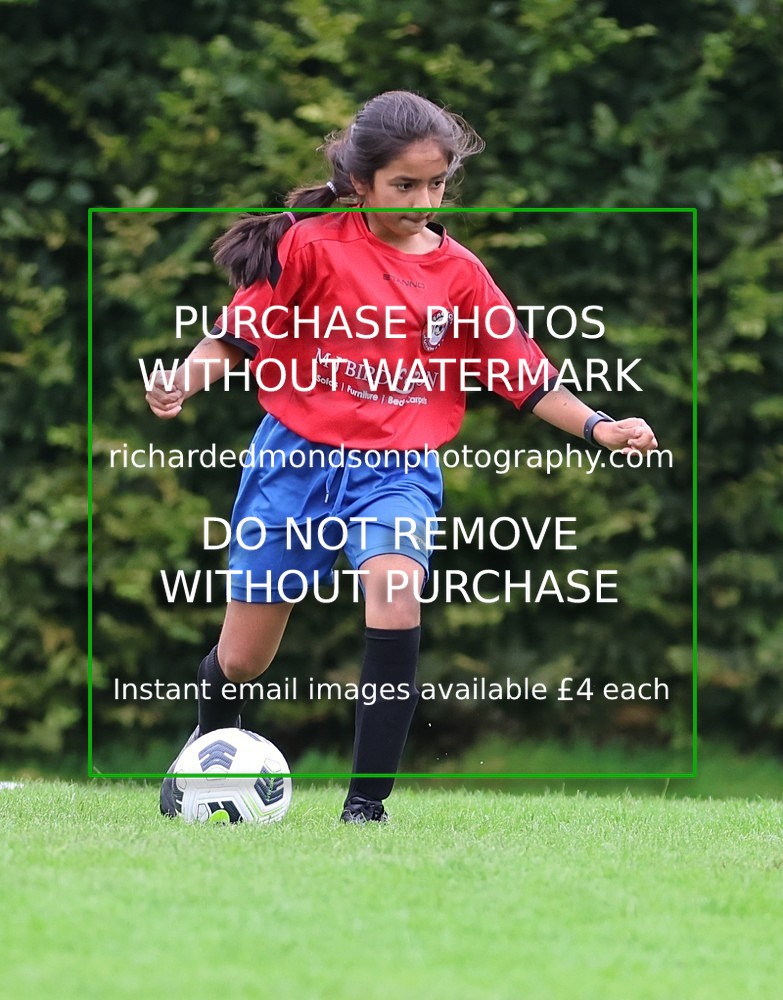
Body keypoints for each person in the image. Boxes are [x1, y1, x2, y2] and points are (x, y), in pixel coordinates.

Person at [146, 90, 657, 824]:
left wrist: (599, 427)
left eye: (436, 184)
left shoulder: (460, 274)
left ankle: (366, 808)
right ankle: (207, 746)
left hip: (396, 469)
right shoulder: (310, 246)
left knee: (395, 592)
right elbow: (235, 338)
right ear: (360, 182)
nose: (423, 201)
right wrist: (182, 381)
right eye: (404, 185)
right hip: (294, 463)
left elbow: (524, 373)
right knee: (242, 660)